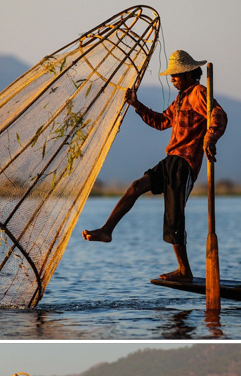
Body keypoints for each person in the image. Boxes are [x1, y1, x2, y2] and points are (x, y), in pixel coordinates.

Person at [82, 49, 228, 282]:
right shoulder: (181, 98)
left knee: (173, 218)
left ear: (191, 73)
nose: (173, 79)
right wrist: (136, 105)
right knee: (136, 186)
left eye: (177, 75)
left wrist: (210, 137)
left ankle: (184, 272)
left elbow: (218, 115)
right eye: (172, 76)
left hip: (185, 163)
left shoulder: (199, 93)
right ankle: (107, 230)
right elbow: (162, 122)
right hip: (171, 160)